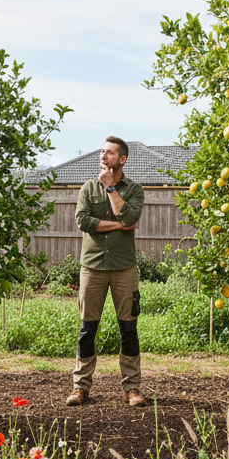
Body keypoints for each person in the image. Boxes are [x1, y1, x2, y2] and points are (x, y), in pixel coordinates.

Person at [66, 136, 146, 407]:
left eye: (109, 153)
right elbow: (83, 221)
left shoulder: (134, 189)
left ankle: (132, 389)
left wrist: (111, 189)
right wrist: (119, 226)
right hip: (92, 268)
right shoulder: (88, 188)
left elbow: (129, 217)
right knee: (87, 329)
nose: (103, 156)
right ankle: (80, 387)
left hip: (125, 269)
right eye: (102, 151)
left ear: (122, 159)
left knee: (129, 329)